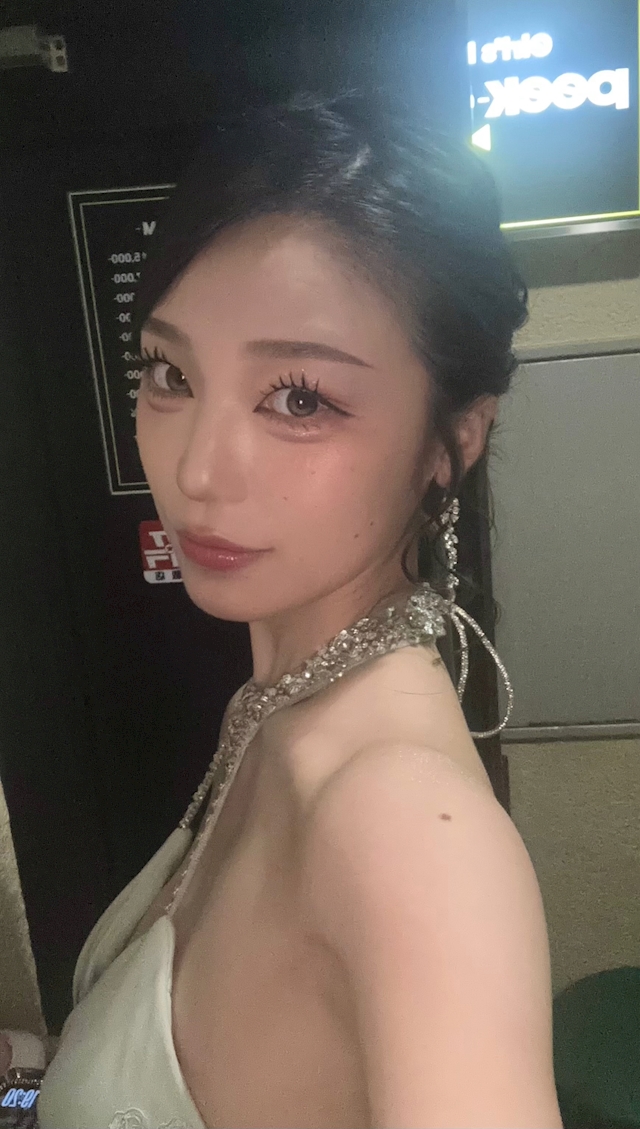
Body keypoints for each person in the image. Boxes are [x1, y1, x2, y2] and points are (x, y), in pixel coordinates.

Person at [38, 93, 562, 1129]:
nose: (198, 470)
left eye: (299, 399)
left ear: (450, 440)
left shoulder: (403, 827)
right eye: (170, 373)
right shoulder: (282, 707)